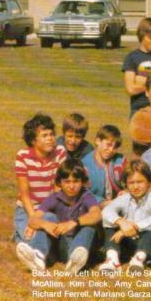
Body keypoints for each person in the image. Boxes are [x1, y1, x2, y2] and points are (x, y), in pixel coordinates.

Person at [16, 159, 102, 274]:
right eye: (67, 181)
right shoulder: (54, 198)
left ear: (82, 182)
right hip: (62, 245)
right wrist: (46, 224)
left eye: (76, 181)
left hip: (83, 246)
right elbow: (33, 220)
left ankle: (76, 259)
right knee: (48, 217)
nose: (71, 186)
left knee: (90, 225)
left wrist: (75, 222)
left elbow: (96, 214)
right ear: (60, 182)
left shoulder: (86, 196)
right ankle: (38, 256)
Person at [99, 160, 151, 275]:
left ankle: (139, 260)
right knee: (110, 225)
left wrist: (135, 226)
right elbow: (107, 211)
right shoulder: (124, 198)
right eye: (131, 183)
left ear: (149, 183)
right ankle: (112, 259)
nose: (135, 187)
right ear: (126, 184)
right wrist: (121, 222)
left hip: (147, 246)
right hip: (127, 244)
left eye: (140, 182)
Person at [14, 113, 67, 243]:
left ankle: (22, 238)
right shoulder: (23, 156)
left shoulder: (59, 152)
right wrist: (34, 220)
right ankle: (23, 236)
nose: (50, 138)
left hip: (49, 208)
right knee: (31, 237)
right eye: (44, 135)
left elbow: (59, 189)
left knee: (53, 229)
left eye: (52, 134)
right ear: (33, 140)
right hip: (28, 210)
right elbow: (25, 194)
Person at [82, 125, 125, 206]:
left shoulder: (120, 161)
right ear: (98, 141)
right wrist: (102, 202)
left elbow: (131, 179)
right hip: (95, 207)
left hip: (119, 204)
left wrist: (126, 191)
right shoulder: (85, 164)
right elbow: (83, 193)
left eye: (115, 147)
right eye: (108, 145)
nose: (111, 150)